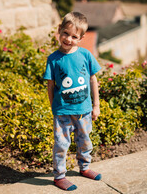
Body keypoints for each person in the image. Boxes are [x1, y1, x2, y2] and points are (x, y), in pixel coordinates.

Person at [43, 12, 102, 191]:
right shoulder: (53, 59)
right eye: (65, 33)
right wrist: (54, 107)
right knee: (61, 144)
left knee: (85, 141)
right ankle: (59, 176)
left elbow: (93, 80)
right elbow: (50, 86)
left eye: (74, 36)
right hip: (62, 112)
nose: (68, 39)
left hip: (84, 110)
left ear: (81, 38)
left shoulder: (85, 55)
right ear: (59, 31)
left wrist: (96, 105)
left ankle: (84, 167)